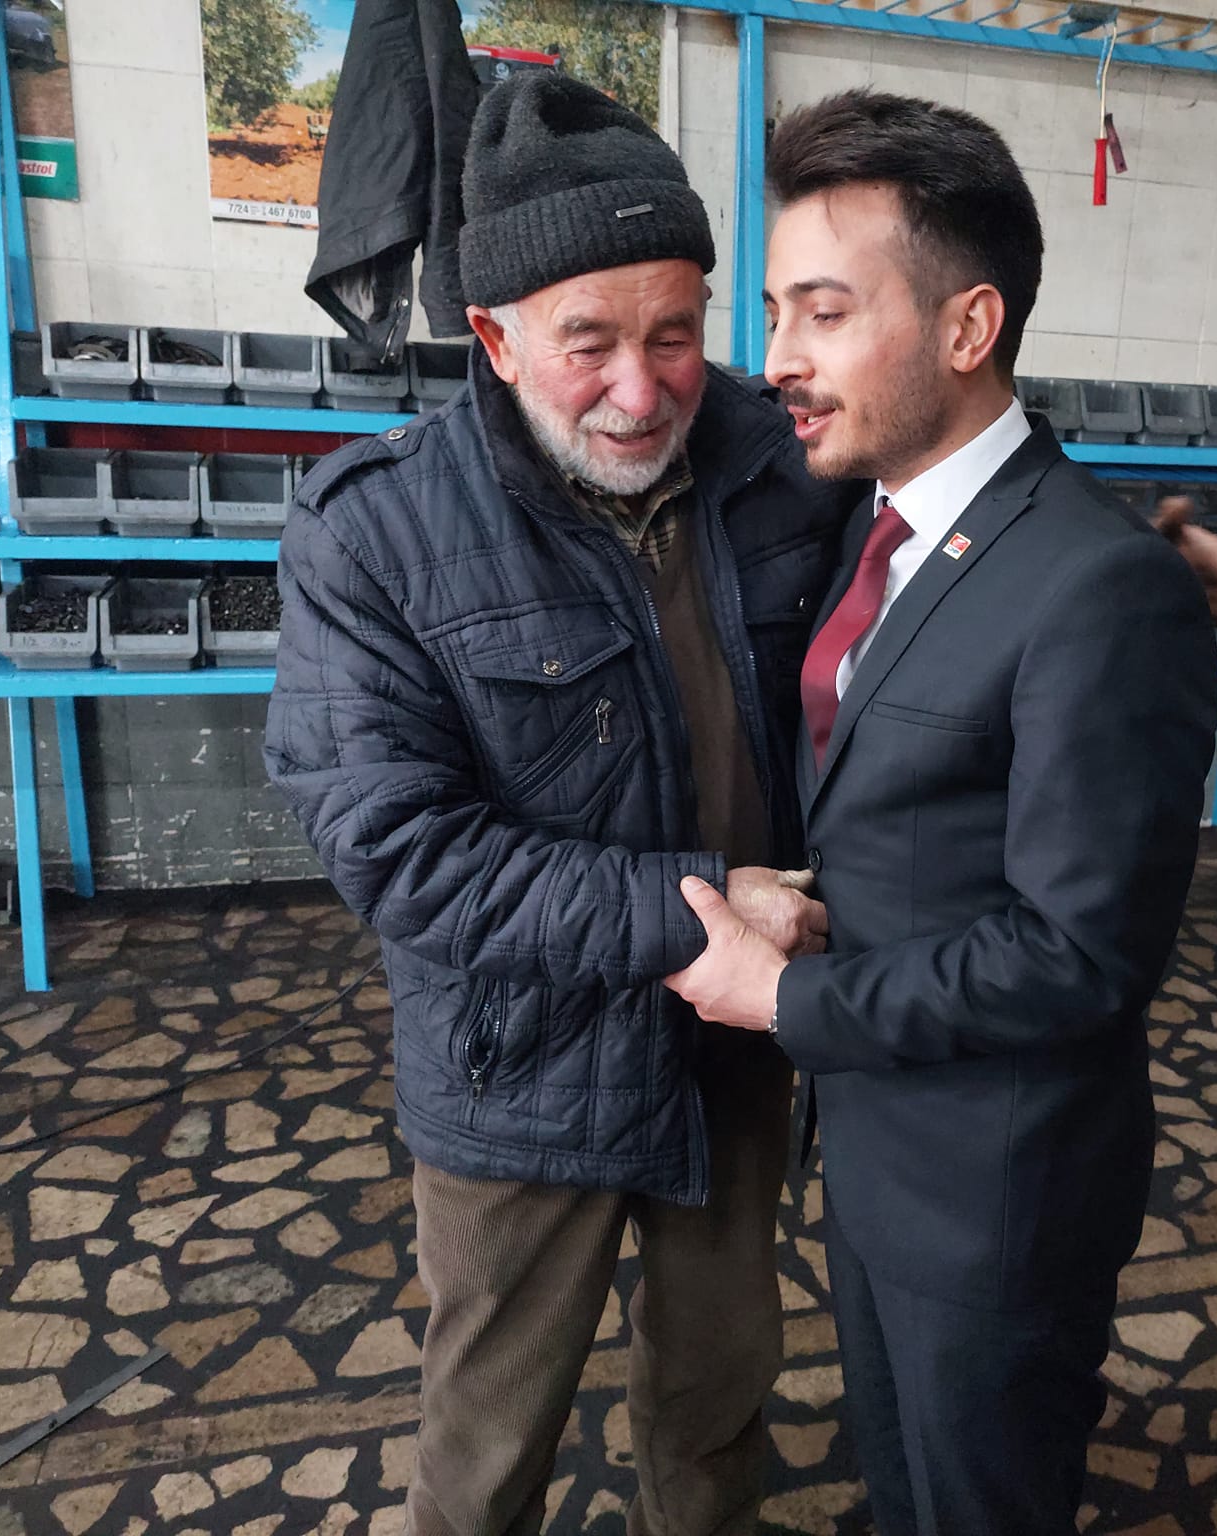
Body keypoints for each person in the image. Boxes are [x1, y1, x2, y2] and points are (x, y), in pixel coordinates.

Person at [265, 72, 843, 1536]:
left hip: (736, 1049)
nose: (642, 391)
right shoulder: (376, 531)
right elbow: (401, 851)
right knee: (486, 1443)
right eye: (589, 344)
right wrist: (699, 915)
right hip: (519, 1062)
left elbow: (958, 494)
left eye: (676, 335)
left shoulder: (781, 463)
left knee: (719, 1395)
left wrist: (1141, 558)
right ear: (495, 335)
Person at [665, 90, 1217, 1536]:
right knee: (903, 1483)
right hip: (877, 1144)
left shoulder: (1101, 586)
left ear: (970, 328)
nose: (779, 359)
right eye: (776, 312)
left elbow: (1083, 952)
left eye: (826, 312)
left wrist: (786, 1002)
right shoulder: (878, 522)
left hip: (998, 1191)